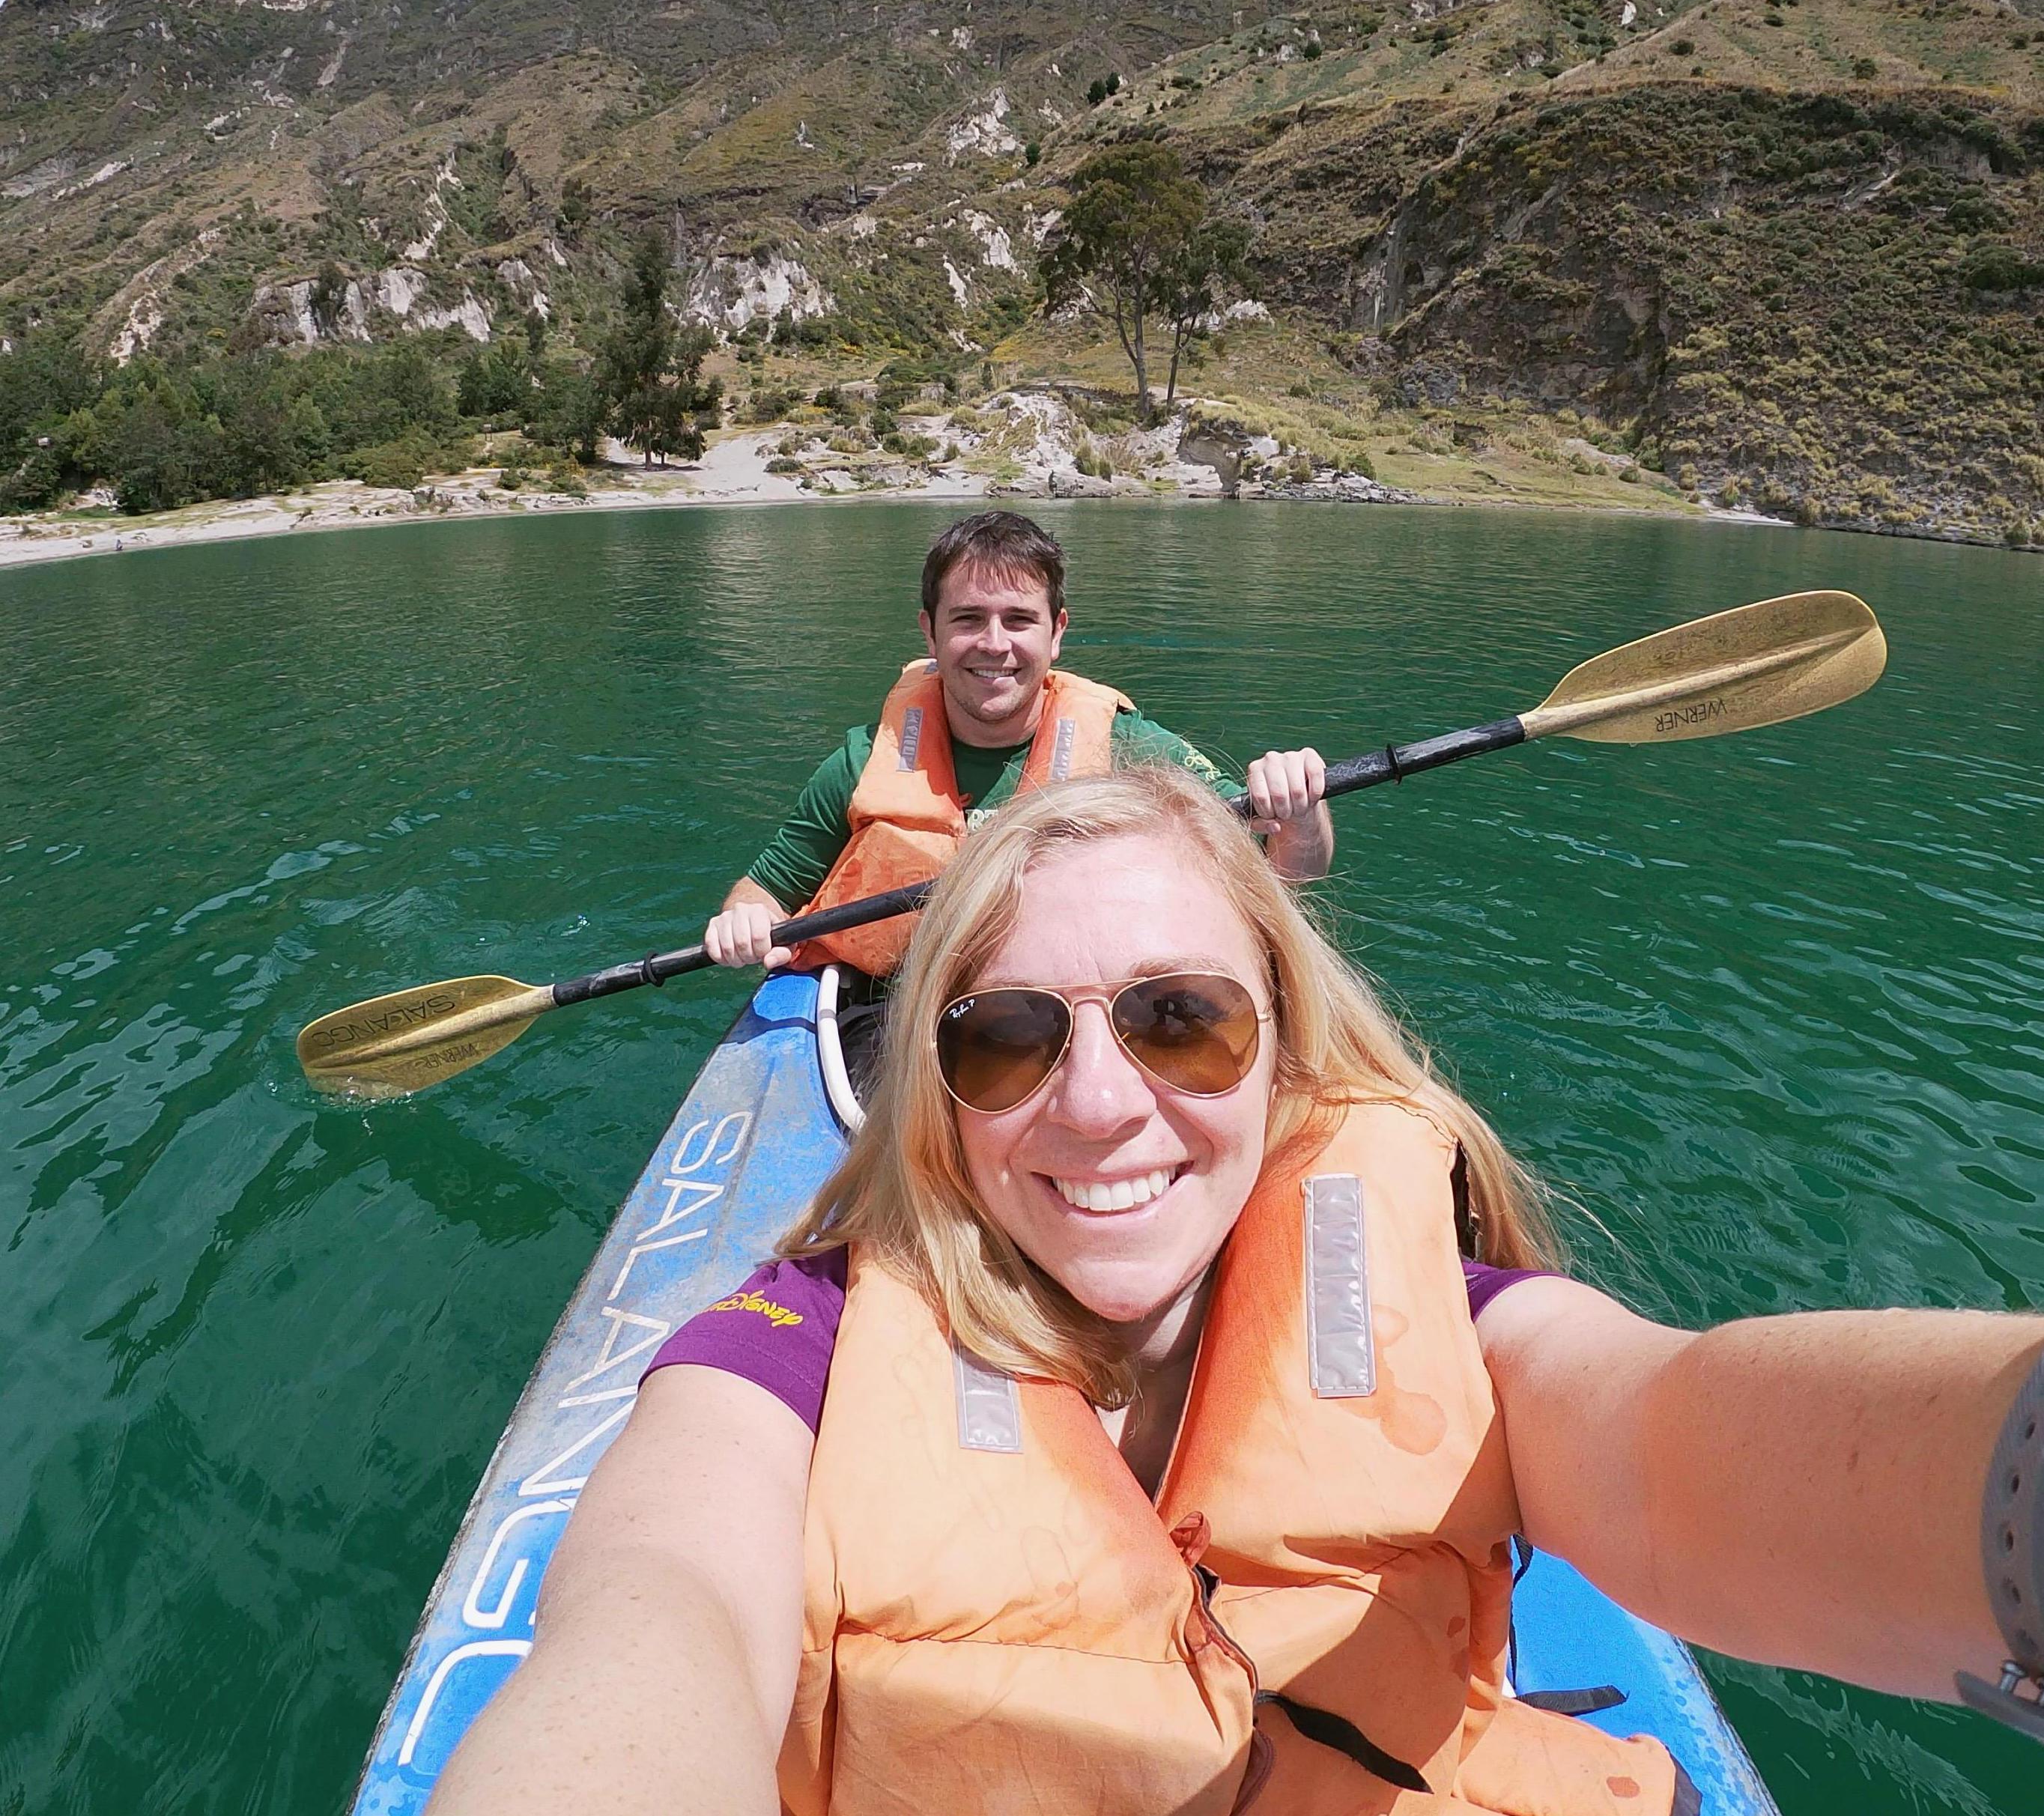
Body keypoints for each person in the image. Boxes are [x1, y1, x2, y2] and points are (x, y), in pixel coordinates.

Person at [429, 766, 2043, 1816]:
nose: (1097, 1104)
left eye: (1177, 1018)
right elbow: (658, 1624)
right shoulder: (784, 1357)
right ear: (931, 1085)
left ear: (1281, 1042)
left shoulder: (1456, 1311)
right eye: (1005, 1035)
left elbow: (1666, 1444)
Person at [701, 510, 1334, 983]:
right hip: (892, 1002)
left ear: (1056, 632)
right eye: (968, 618)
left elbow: (1288, 877)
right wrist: (744, 918)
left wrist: (1300, 811)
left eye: (1019, 619)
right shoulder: (864, 759)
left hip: (1067, 1003)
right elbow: (766, 887)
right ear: (930, 630)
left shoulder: (1129, 748)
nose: (994, 644)